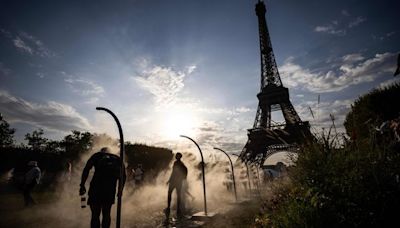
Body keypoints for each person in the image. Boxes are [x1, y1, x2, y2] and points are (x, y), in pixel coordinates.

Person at [79, 147, 126, 228]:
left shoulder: (97, 155)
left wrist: (82, 185)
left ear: (101, 151)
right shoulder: (117, 159)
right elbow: (123, 176)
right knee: (106, 214)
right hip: (110, 190)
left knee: (95, 215)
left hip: (96, 188)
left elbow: (86, 169)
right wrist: (120, 190)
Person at [164, 152, 187, 220]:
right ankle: (177, 208)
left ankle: (169, 207)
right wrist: (183, 178)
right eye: (176, 155)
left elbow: (174, 172)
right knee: (177, 195)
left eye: (177, 156)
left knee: (170, 194)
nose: (176, 156)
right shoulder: (180, 163)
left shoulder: (177, 163)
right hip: (177, 181)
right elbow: (184, 170)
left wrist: (170, 180)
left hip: (174, 181)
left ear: (179, 157)